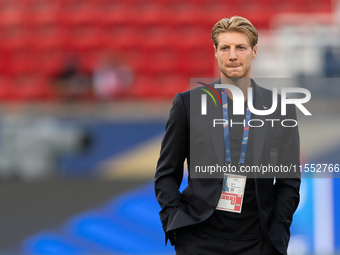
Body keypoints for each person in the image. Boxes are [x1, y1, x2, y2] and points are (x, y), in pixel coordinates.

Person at [154, 16, 301, 255]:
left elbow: (289, 182)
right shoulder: (188, 104)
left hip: (258, 241)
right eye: (225, 48)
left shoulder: (281, 109)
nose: (232, 55)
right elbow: (166, 174)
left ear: (254, 51)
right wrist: (175, 223)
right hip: (199, 239)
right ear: (215, 52)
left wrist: (279, 229)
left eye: (240, 47)